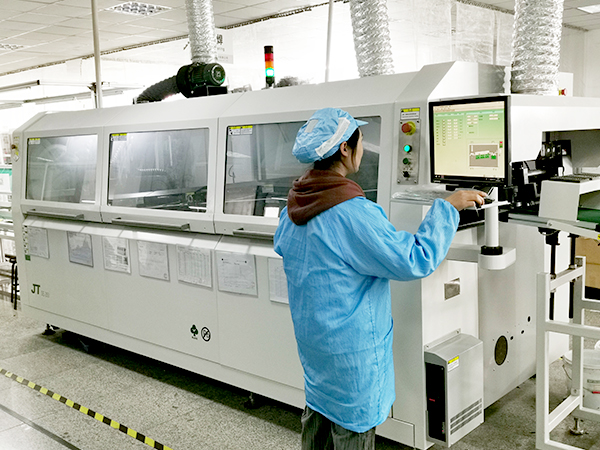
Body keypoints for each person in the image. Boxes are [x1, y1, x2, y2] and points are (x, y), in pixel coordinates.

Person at [273, 108, 485, 450]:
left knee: (319, 415)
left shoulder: (295, 206)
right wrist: (448, 208)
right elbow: (415, 259)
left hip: (316, 345)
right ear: (345, 149)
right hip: (350, 353)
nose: (363, 148)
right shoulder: (352, 213)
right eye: (360, 140)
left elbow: (286, 247)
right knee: (352, 427)